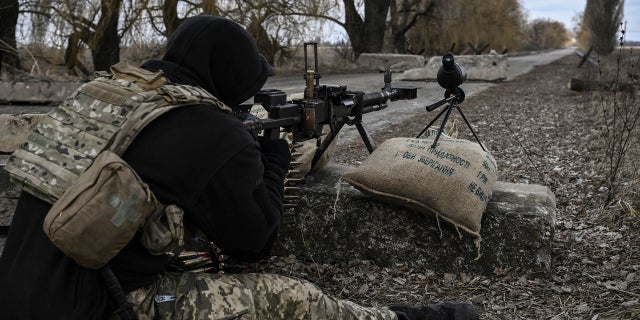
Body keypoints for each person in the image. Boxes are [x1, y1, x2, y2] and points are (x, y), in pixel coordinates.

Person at [0, 15, 478, 320]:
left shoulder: (105, 95)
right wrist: (270, 164)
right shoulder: (212, 132)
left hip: (18, 285)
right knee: (292, 298)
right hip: (98, 307)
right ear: (231, 77)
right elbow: (254, 243)